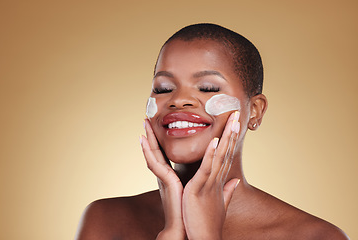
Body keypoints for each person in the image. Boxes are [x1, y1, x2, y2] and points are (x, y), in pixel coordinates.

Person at [75, 23, 349, 240]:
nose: (179, 100)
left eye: (207, 88)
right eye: (163, 89)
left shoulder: (316, 236)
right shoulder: (106, 219)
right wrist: (172, 232)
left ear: (254, 111)